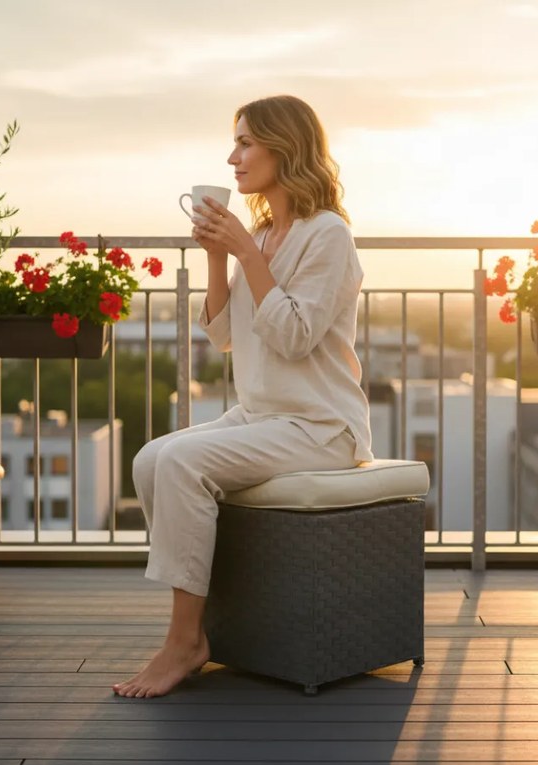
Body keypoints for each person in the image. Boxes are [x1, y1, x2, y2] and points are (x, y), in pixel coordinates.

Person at [113, 95, 372, 698]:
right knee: (150, 460)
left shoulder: (328, 236)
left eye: (246, 143)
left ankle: (184, 641)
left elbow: (295, 335)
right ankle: (213, 617)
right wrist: (215, 257)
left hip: (320, 427)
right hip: (262, 417)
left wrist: (248, 255)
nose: (233, 158)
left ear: (286, 147)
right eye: (234, 144)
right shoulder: (261, 233)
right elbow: (225, 336)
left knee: (181, 463)